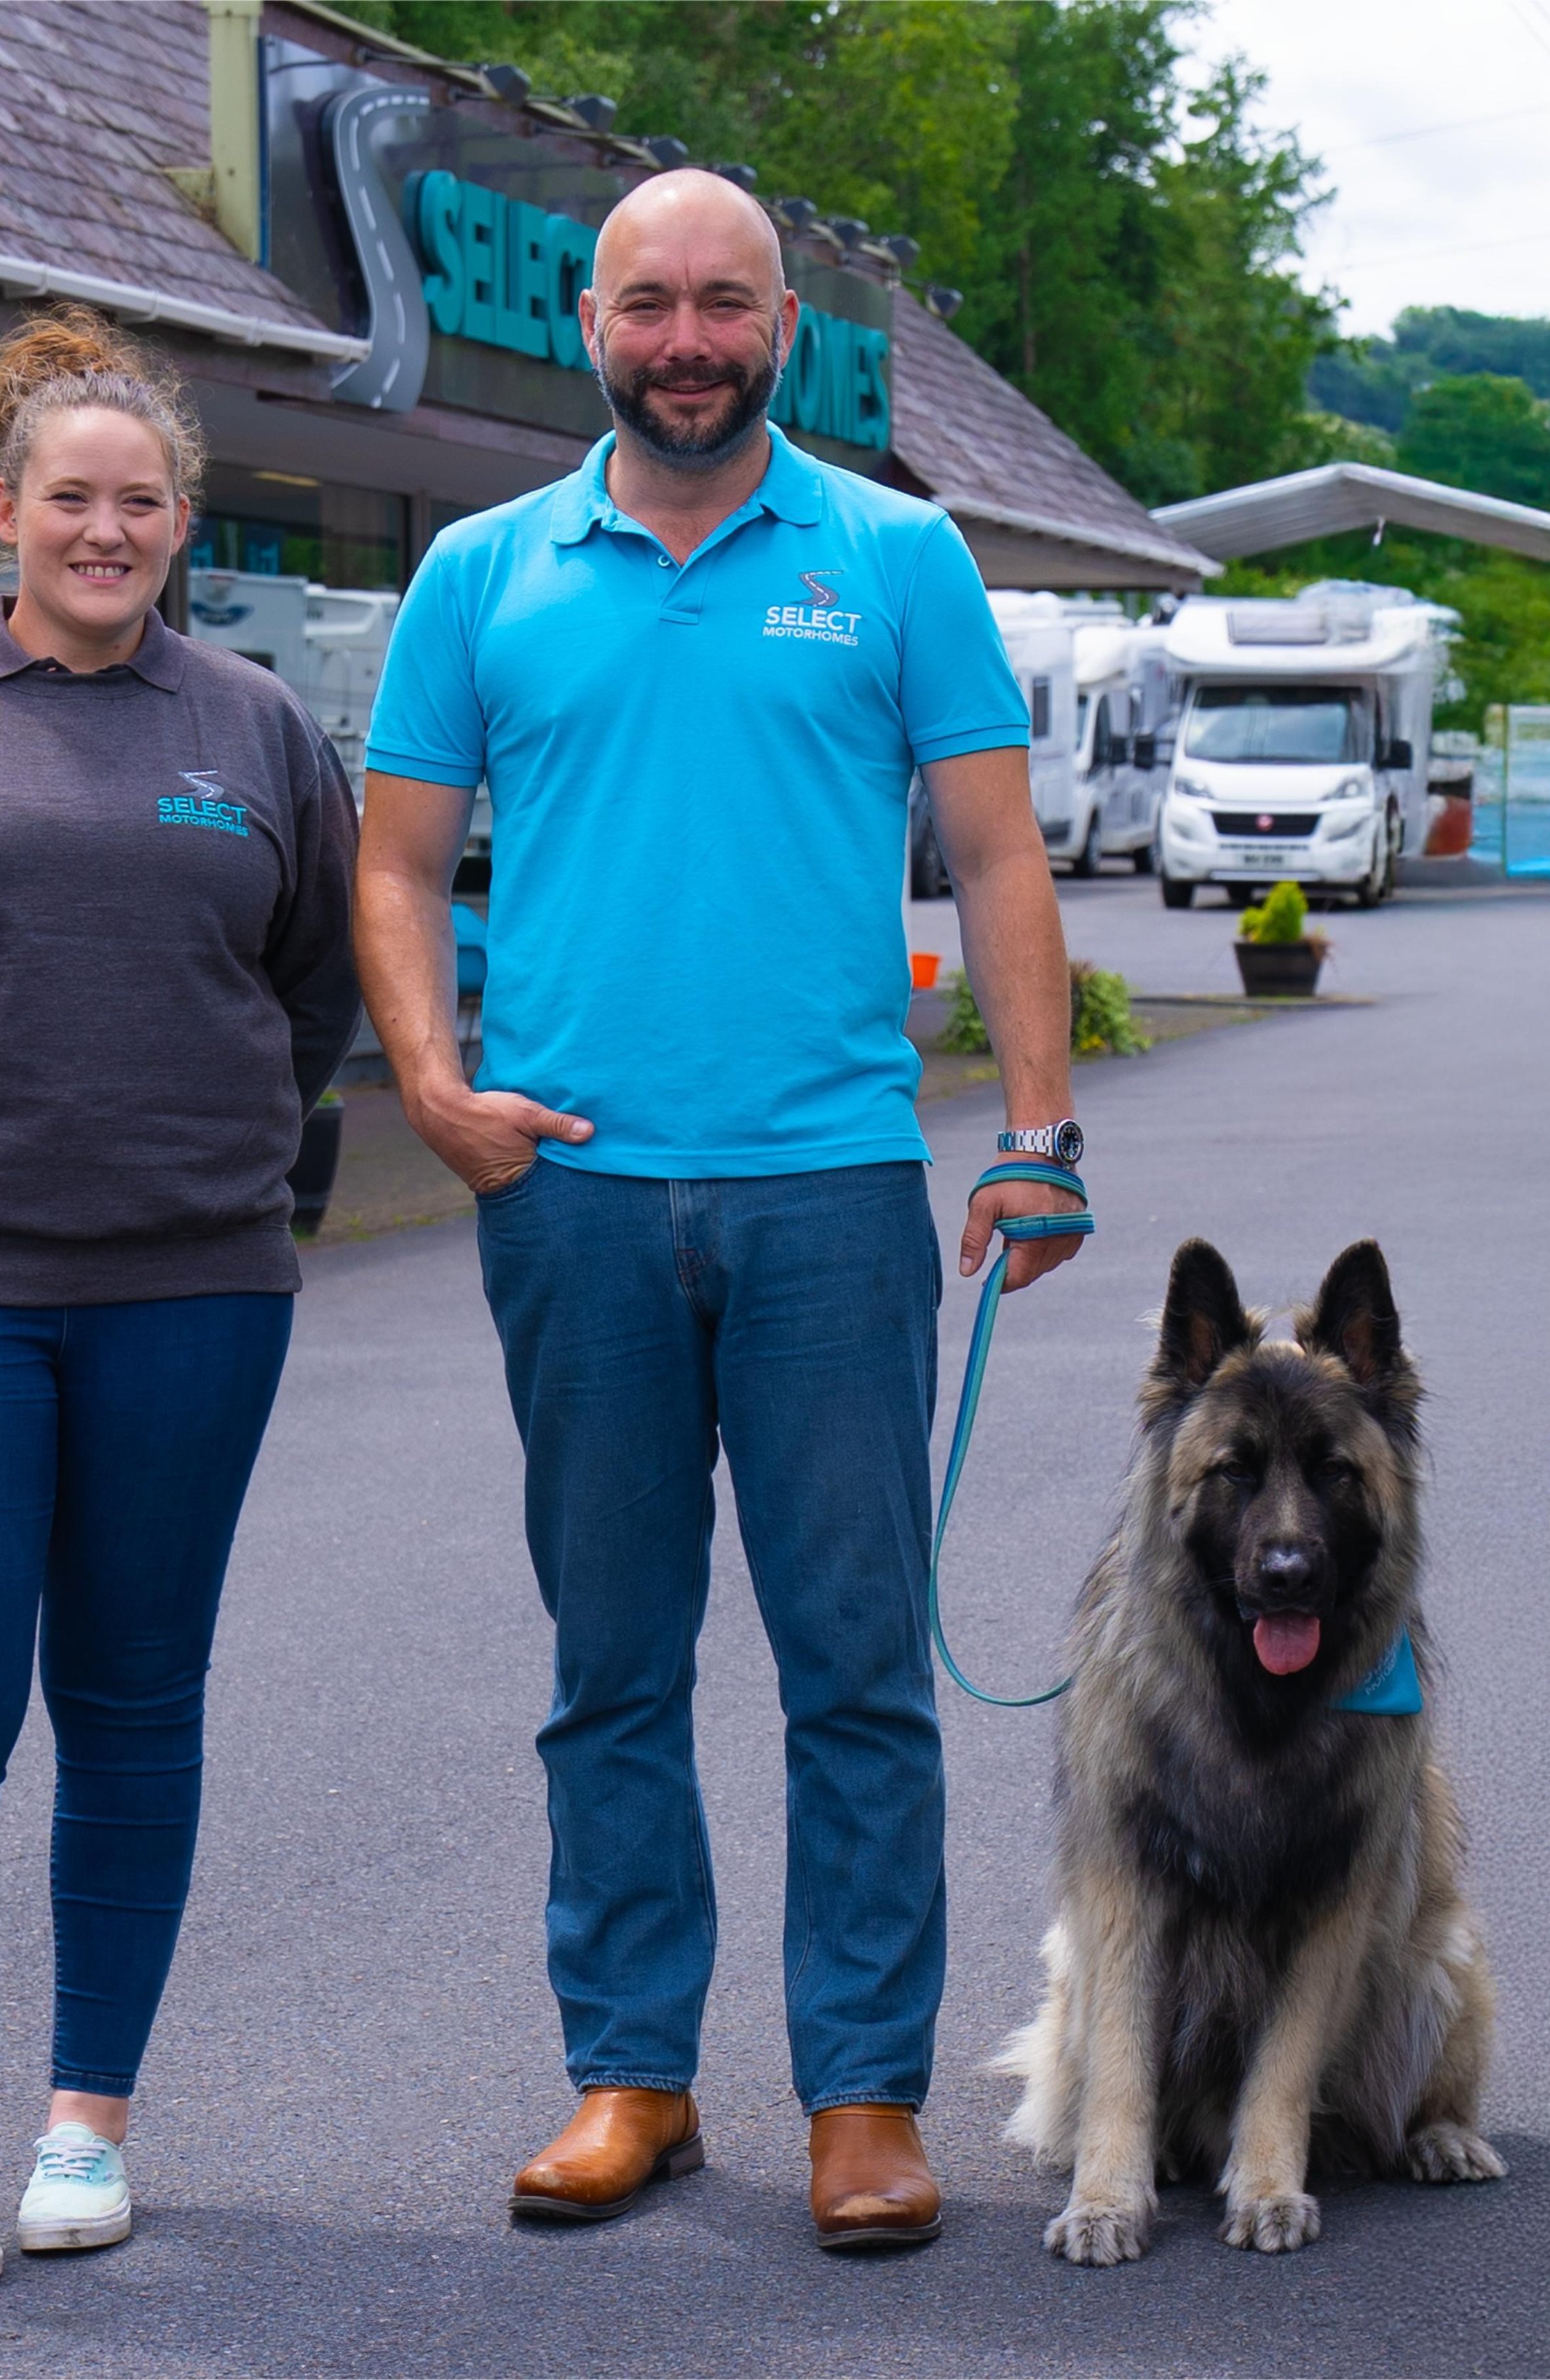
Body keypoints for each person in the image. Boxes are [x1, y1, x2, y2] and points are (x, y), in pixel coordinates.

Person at [355, 170, 1086, 2250]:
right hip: (572, 1198)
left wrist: (1041, 1129)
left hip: (830, 1194)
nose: (688, 340)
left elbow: (999, 855)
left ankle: (864, 2096)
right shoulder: (481, 573)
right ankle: (632, 2076)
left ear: (787, 331)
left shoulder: (898, 555)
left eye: (727, 305)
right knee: (612, 1666)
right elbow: (395, 861)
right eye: (651, 303)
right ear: (591, 322)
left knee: (855, 1668)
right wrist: (432, 1086)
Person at [0, 307, 360, 2286]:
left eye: (143, 501)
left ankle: (87, 2121)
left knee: (131, 1699)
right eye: (72, 498)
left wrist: (210, 1148)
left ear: (182, 521)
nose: (107, 530)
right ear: (4, 508)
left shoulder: (256, 731)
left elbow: (310, 992)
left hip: (193, 1284)